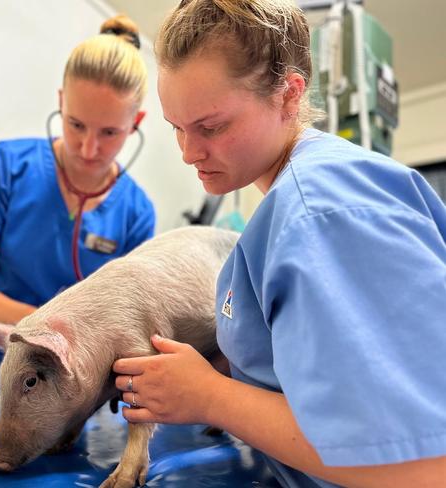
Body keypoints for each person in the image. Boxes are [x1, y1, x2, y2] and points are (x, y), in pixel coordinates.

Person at [112, 1, 446, 486]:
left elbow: (421, 468)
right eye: (177, 129)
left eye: (211, 127)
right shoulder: (298, 202)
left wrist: (211, 397)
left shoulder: (319, 212)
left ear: (289, 96)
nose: (188, 153)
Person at [0, 15, 156, 407]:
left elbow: (125, 323)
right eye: (76, 125)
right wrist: (48, 331)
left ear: (135, 123)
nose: (89, 149)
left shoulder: (137, 213)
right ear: (60, 102)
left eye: (109, 133)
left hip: (59, 405)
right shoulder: (9, 166)